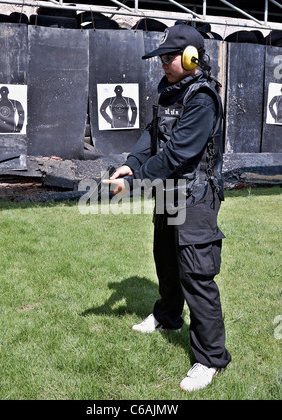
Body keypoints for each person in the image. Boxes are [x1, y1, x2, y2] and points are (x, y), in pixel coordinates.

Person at [103, 24, 231, 392]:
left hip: (196, 196)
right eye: (161, 57)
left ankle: (210, 360)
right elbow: (153, 133)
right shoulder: (169, 91)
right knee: (166, 259)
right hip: (169, 194)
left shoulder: (203, 98)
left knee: (196, 275)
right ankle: (169, 316)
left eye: (168, 57)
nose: (162, 63)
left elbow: (178, 153)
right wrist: (131, 161)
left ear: (191, 58)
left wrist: (133, 180)